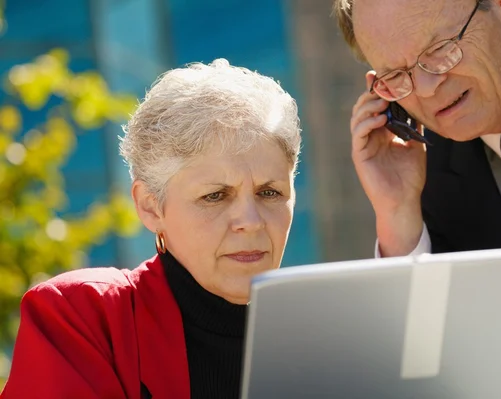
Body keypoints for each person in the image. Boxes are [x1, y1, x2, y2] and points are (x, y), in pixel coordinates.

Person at [332, 0, 501, 396]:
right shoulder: (419, 157)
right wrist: (398, 214)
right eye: (396, 76)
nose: (426, 89)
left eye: (440, 50)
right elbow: (425, 371)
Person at [0, 59, 301, 399]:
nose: (251, 220)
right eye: (215, 196)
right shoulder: (82, 317)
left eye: (269, 192)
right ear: (150, 206)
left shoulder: (336, 332)